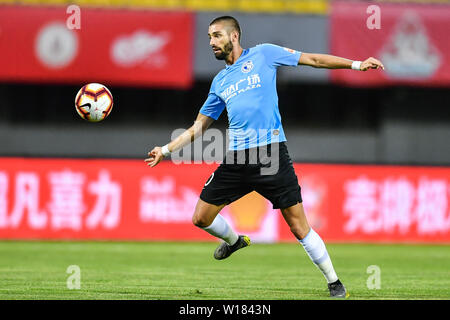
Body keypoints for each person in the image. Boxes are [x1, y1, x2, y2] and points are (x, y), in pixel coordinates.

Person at [145, 16, 384, 298]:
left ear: (234, 36)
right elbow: (199, 127)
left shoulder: (264, 54)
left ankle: (334, 282)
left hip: (271, 154)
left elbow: (314, 61)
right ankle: (234, 242)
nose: (212, 42)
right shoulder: (220, 82)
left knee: (298, 225)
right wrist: (166, 150)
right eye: (210, 37)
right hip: (237, 159)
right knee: (200, 217)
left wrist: (356, 64)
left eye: (217, 36)